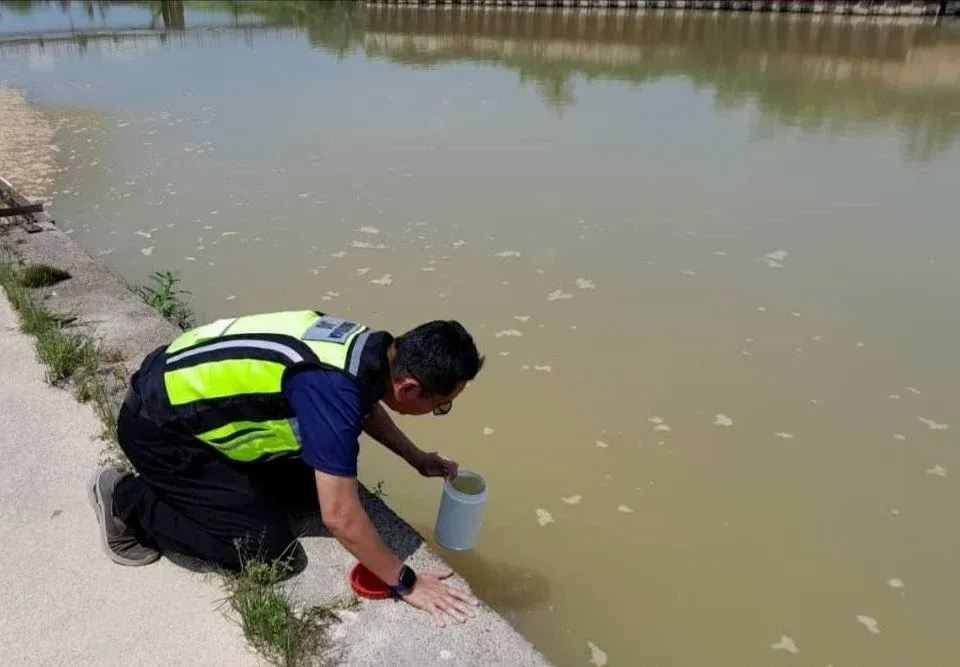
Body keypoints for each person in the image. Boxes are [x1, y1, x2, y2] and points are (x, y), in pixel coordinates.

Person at [87, 309, 484, 627]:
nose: (438, 412)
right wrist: (406, 583)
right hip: (161, 432)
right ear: (409, 387)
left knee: (312, 488)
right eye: (440, 406)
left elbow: (362, 406)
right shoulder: (331, 386)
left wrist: (417, 458)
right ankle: (127, 502)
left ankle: (223, 495)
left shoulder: (368, 349)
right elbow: (340, 518)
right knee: (271, 553)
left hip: (191, 407)